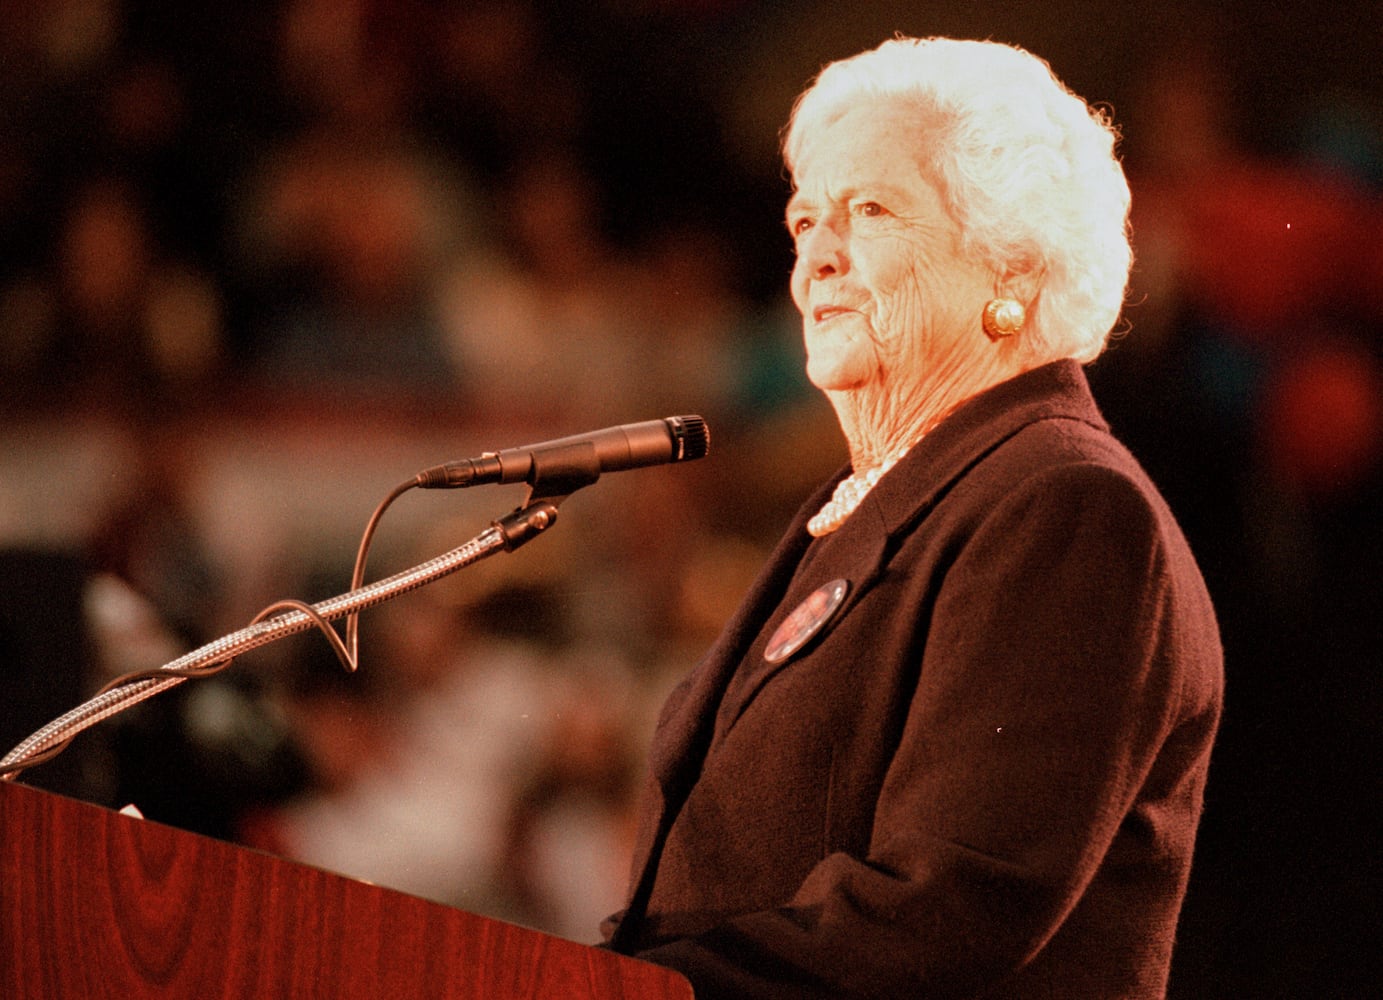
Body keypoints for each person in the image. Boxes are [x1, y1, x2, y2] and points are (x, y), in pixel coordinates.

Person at [601, 36, 1224, 999]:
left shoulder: (1065, 508)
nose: (815, 258)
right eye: (803, 218)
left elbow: (947, 908)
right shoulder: (862, 509)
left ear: (1011, 270)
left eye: (870, 212)